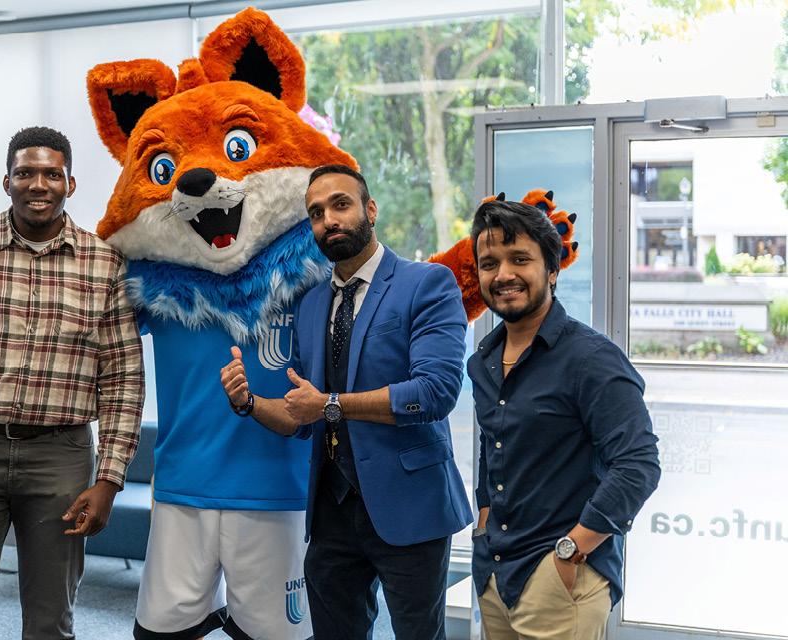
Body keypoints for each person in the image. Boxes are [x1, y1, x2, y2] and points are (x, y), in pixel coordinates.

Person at [0, 126, 145, 640]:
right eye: (25, 173)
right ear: (7, 181)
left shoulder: (103, 263)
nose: (38, 184)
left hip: (61, 459)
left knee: (51, 624)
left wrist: (109, 479)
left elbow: (123, 377)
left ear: (70, 183)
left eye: (52, 174)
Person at [220, 164, 473, 640]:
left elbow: (435, 392)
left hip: (410, 507)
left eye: (340, 204)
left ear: (370, 209)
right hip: (332, 512)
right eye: (316, 213)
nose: (328, 220)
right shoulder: (311, 303)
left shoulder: (427, 283)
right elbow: (301, 415)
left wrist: (331, 405)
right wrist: (249, 402)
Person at [466, 199, 660, 640]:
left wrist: (572, 550)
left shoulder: (591, 358)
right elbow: (492, 447)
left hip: (558, 574)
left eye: (520, 259)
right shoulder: (484, 361)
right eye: (489, 263)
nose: (503, 274)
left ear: (552, 270)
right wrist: (484, 520)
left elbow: (638, 465)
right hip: (496, 572)